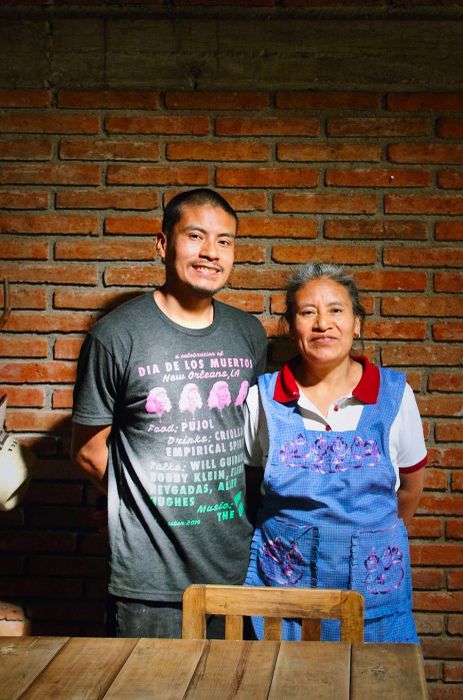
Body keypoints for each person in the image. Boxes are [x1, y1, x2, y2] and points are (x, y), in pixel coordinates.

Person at [71, 188, 267, 638]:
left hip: (239, 569)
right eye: (195, 236)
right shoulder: (116, 335)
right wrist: (146, 503)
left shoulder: (249, 334)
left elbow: (253, 440)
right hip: (150, 584)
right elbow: (86, 450)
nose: (210, 253)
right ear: (163, 244)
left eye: (224, 241)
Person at [244, 263, 427, 643]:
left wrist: (368, 536)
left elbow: (408, 492)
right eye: (308, 312)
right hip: (284, 594)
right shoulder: (262, 399)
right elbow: (248, 491)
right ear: (291, 325)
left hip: (372, 595)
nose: (322, 323)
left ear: (357, 323)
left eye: (336, 310)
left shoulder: (394, 395)